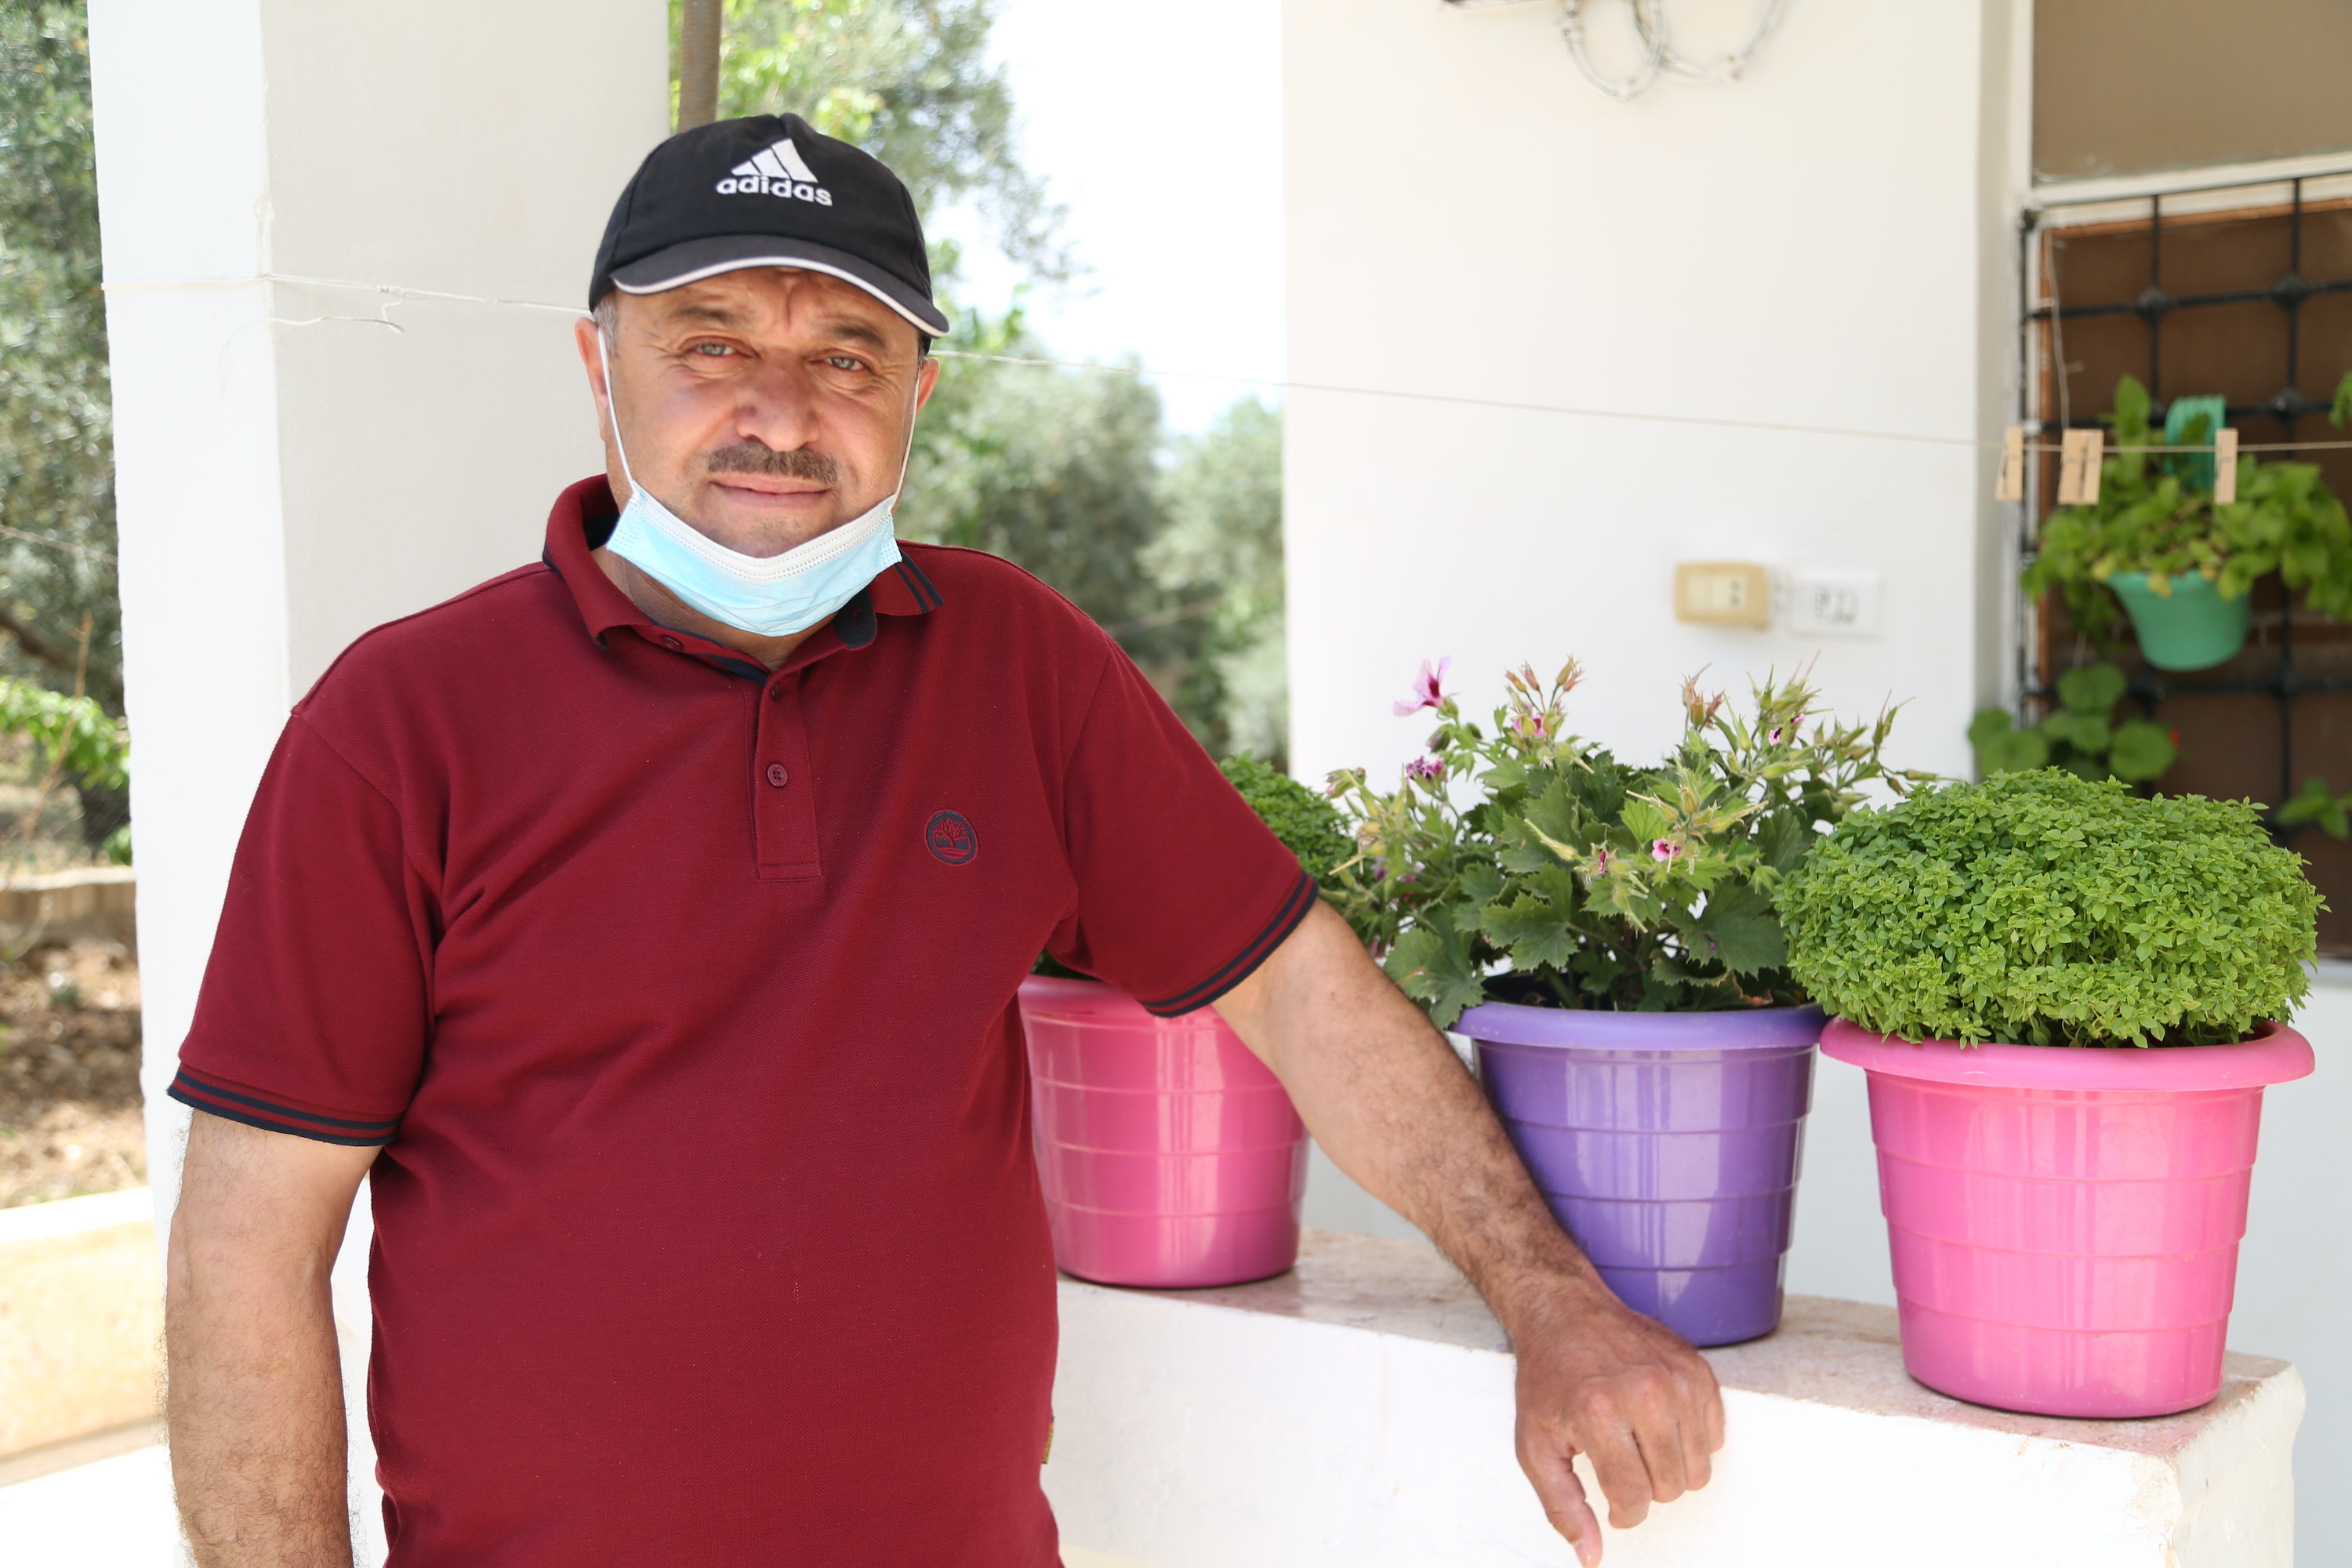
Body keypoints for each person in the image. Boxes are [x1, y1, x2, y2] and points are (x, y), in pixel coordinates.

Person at [164, 114, 1721, 1568]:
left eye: (847, 352)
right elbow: (251, 1241)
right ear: (598, 363)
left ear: (920, 393)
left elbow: (1298, 994)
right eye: (708, 344)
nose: (779, 411)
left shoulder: (1019, 668)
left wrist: (1552, 1300)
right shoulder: (406, 720)